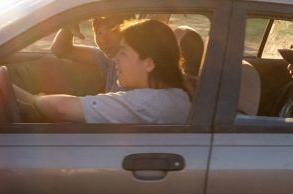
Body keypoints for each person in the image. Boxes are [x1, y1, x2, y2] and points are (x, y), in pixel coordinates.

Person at [13, 18, 190, 124]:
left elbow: (61, 108)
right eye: (98, 32)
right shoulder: (169, 97)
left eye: (123, 53)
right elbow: (61, 50)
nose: (115, 59)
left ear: (148, 64)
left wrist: (31, 99)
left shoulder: (150, 103)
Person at [50, 14, 126, 92]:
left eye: (112, 31)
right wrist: (68, 26)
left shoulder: (135, 70)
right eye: (98, 33)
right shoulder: (108, 58)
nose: (104, 40)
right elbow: (60, 50)